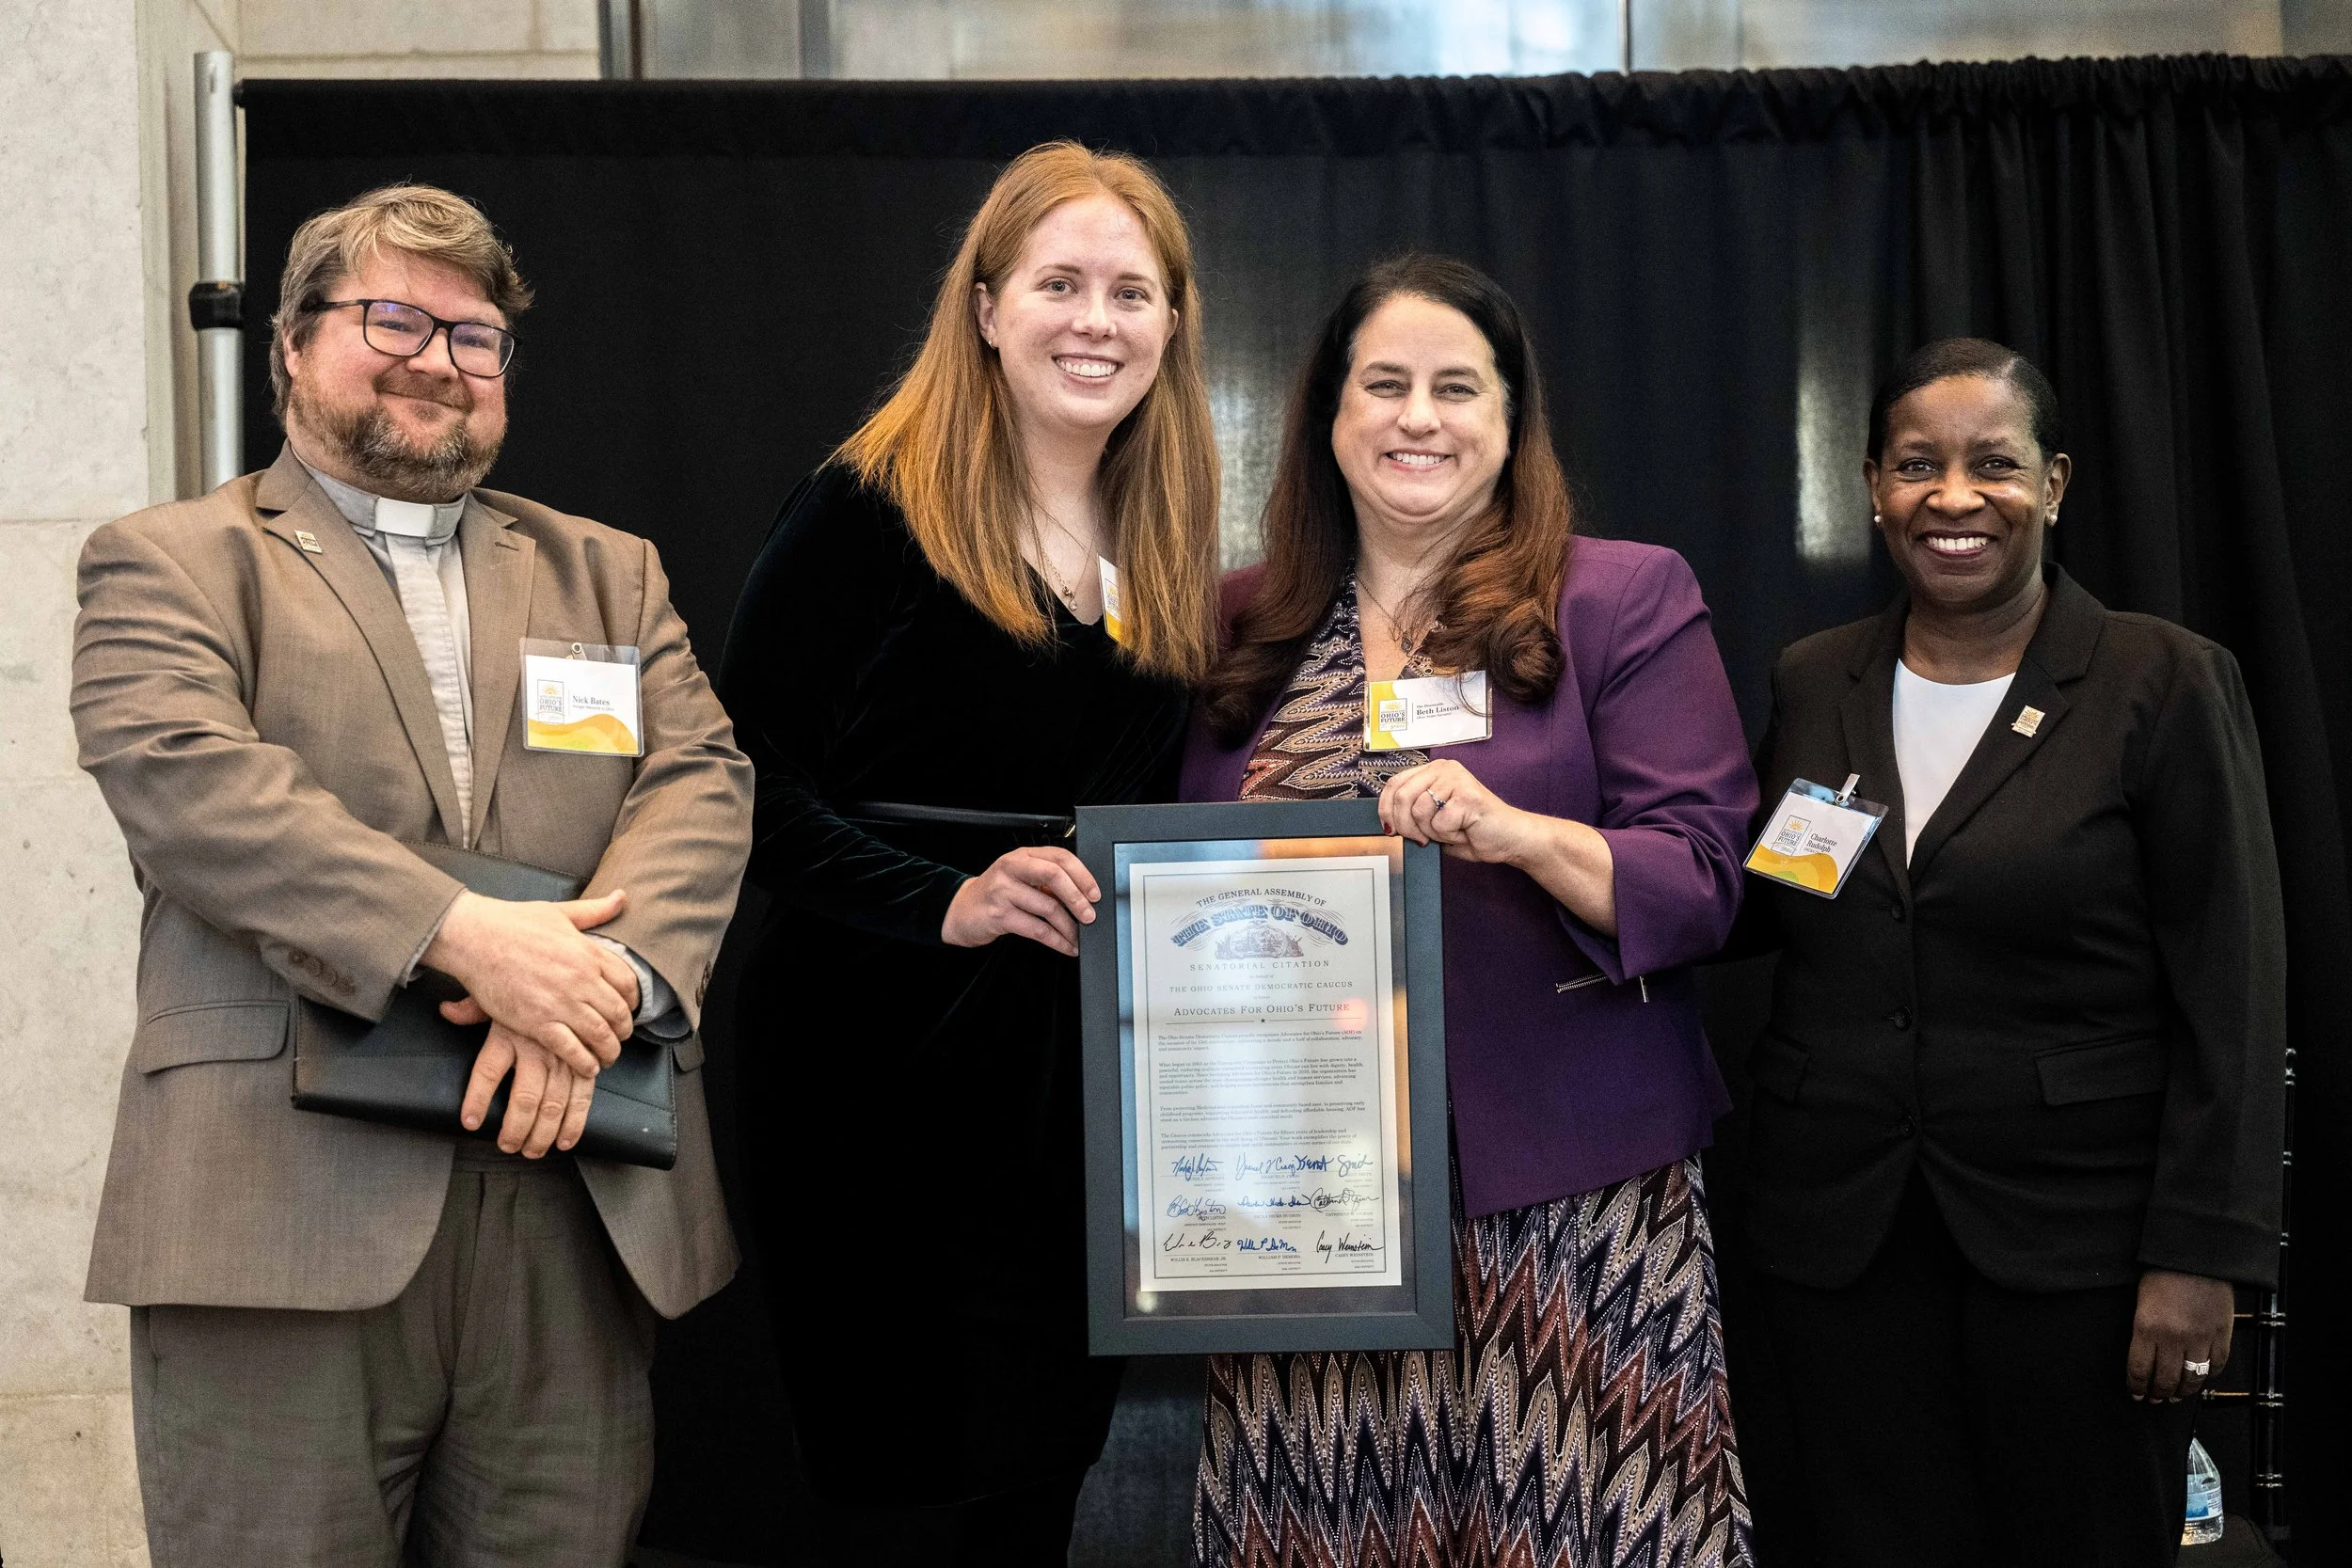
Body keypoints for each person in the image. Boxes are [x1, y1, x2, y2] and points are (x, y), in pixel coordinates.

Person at [70, 183, 753, 1565]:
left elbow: (705, 780)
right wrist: (467, 937)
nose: (439, 357)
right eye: (396, 317)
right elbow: (195, 783)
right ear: (295, 339)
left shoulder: (608, 572)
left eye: (477, 335)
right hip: (280, 1215)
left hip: (570, 1198)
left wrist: (596, 986)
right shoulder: (173, 561)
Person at [1183, 254, 1759, 1568]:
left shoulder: (1619, 597)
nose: (1417, 418)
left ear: (1511, 420)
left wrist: (1522, 835)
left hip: (1568, 1199)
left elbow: (1707, 871)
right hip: (1304, 1204)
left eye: (1456, 387)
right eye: (1382, 385)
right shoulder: (1245, 618)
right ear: (1329, 416)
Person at [718, 141, 1221, 1563]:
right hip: (873, 1075)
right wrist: (945, 900)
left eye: (1131, 291)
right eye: (1059, 282)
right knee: (902, 1490)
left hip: (1077, 1097)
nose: (1095, 320)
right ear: (986, 305)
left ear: (1171, 328)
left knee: (1033, 1484)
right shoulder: (870, 505)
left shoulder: (1166, 531)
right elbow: (733, 782)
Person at [1740, 338, 2286, 1566]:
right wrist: (1542, 838)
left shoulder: (2161, 680)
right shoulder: (1817, 677)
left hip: (2079, 1252)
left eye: (1993, 463)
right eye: (1918, 464)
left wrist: (2201, 1257)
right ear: (1873, 483)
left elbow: (2233, 995)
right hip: (1844, 1242)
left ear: (2052, 485)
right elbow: (1772, 895)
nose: (1953, 496)